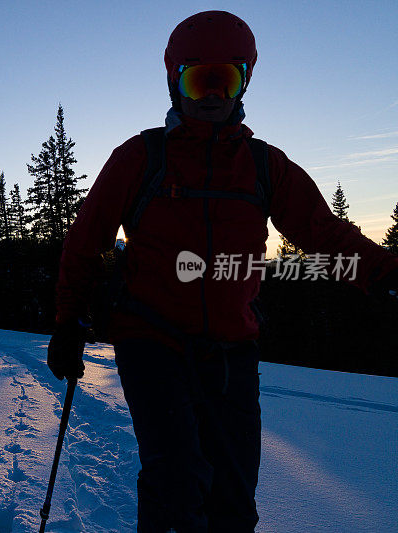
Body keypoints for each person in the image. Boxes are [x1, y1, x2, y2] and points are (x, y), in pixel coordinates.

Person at [46, 10, 398, 533]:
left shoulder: (264, 165)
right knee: (177, 483)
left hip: (233, 352)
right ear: (174, 80)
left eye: (225, 79)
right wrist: (67, 322)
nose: (211, 94)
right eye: (197, 77)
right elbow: (86, 242)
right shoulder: (140, 158)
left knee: (234, 503)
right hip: (152, 340)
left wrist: (384, 273)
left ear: (244, 83)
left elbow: (326, 235)